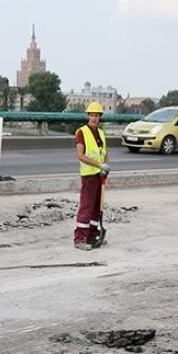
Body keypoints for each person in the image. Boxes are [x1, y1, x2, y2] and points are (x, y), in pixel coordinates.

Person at [73, 101, 110, 251]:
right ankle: (79, 238)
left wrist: (106, 166)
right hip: (89, 175)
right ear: (88, 116)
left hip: (100, 176)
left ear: (100, 117)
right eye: (92, 115)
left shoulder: (101, 133)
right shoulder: (81, 132)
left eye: (97, 115)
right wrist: (99, 165)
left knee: (96, 208)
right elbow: (80, 155)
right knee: (86, 207)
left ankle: (92, 234)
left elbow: (105, 152)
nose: (94, 118)